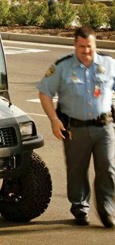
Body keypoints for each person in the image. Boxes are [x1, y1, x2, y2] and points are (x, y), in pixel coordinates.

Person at [37, 26, 115, 228]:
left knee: (108, 167)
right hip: (75, 129)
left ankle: (108, 210)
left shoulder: (109, 63)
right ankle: (80, 207)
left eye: (89, 47)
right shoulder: (63, 66)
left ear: (95, 44)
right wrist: (54, 120)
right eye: (82, 47)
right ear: (75, 45)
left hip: (104, 127)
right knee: (77, 170)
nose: (86, 51)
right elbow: (44, 92)